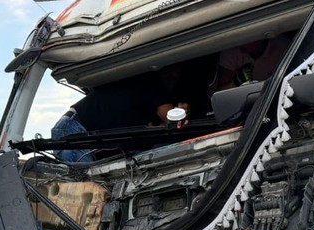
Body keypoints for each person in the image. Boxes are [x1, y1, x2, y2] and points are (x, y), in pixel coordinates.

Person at [50, 65, 194, 162]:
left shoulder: (142, 103)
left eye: (175, 78)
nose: (171, 80)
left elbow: (158, 129)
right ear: (162, 69)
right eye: (170, 74)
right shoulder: (152, 82)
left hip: (73, 128)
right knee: (88, 191)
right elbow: (171, 119)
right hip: (74, 129)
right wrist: (181, 114)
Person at [217, 35, 292, 90]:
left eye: (245, 37)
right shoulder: (232, 50)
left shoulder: (282, 46)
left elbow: (293, 79)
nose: (240, 42)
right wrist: (237, 81)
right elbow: (220, 91)